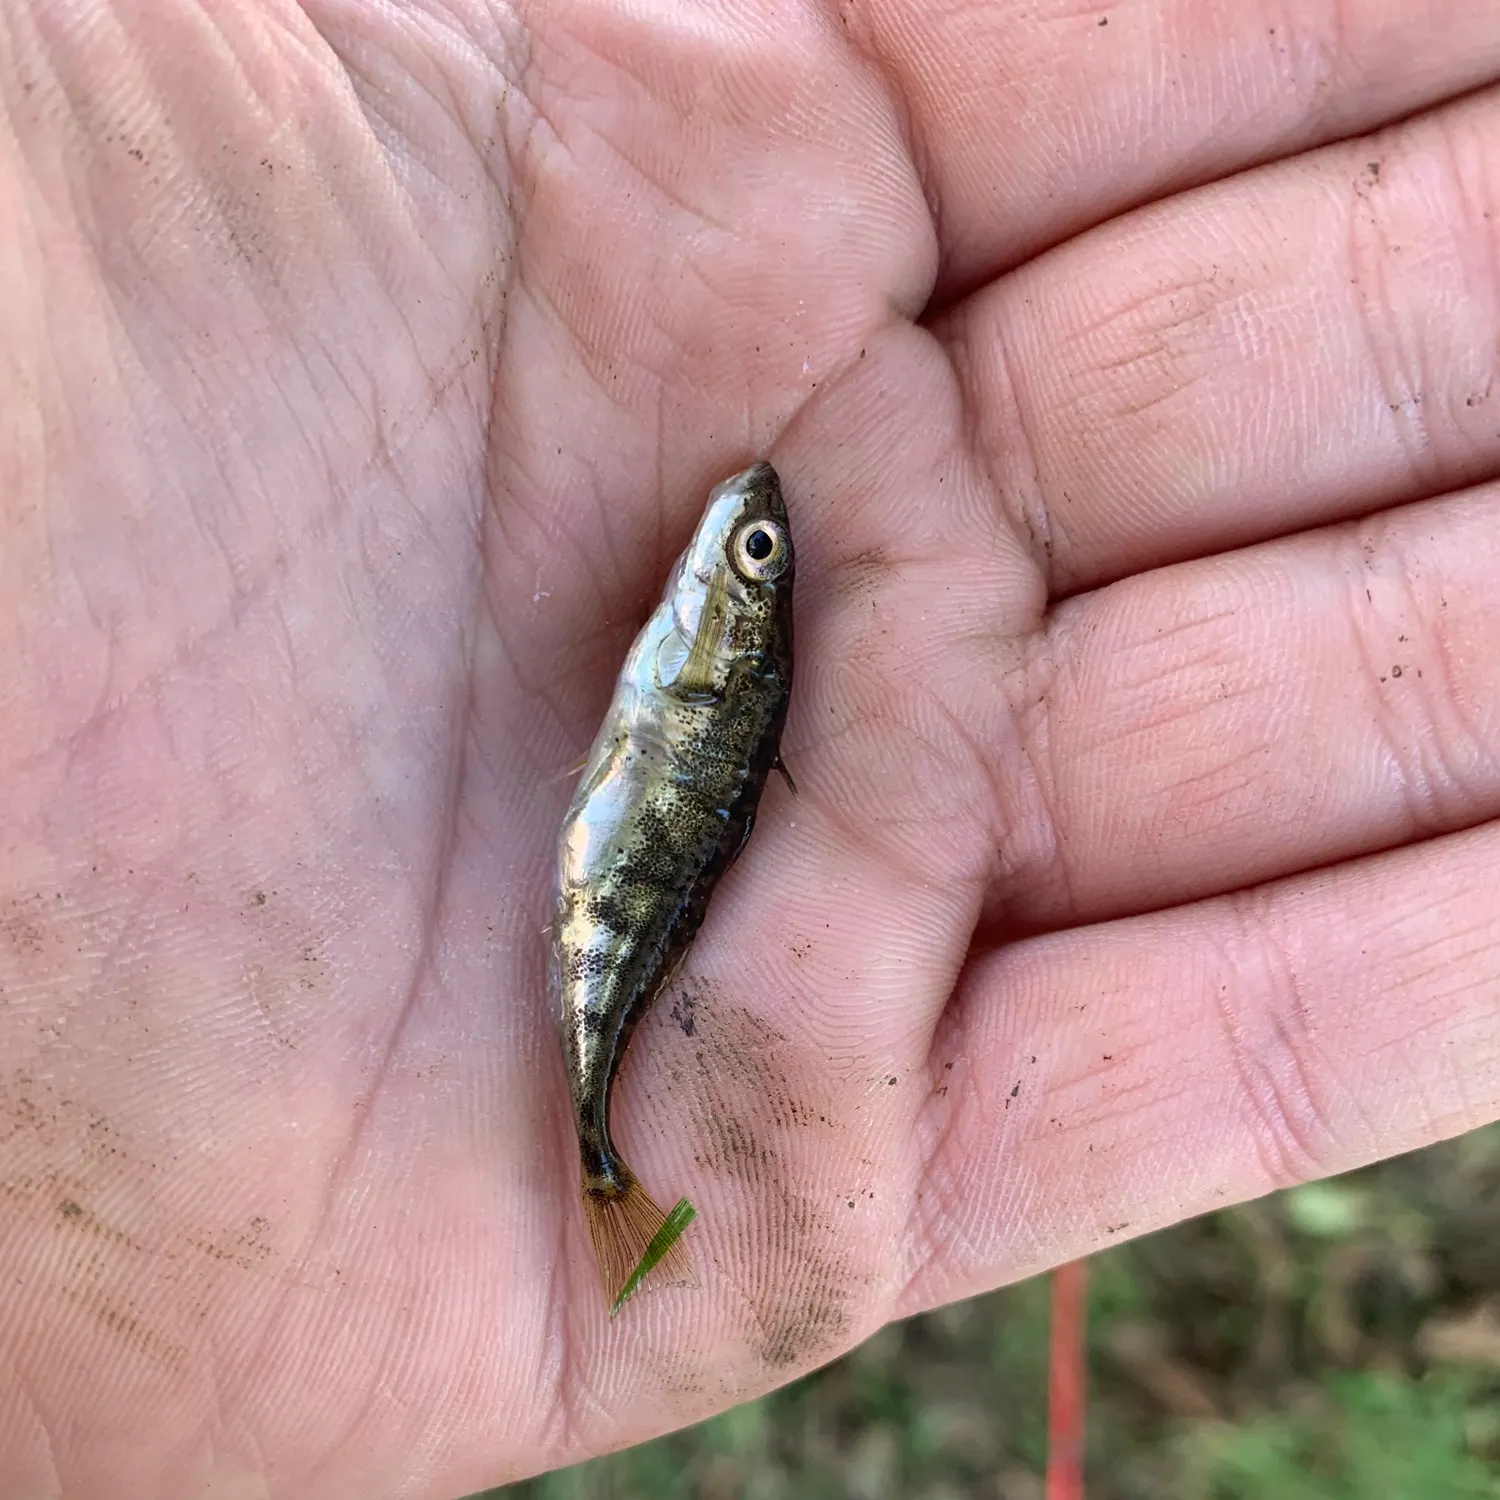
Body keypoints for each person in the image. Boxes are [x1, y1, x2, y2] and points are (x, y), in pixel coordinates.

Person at [2, 1, 1497, 1494]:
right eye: (760, 553)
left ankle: (603, 1166)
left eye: (757, 552)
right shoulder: (715, 646)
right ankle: (600, 1164)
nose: (747, 542)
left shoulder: (718, 648)